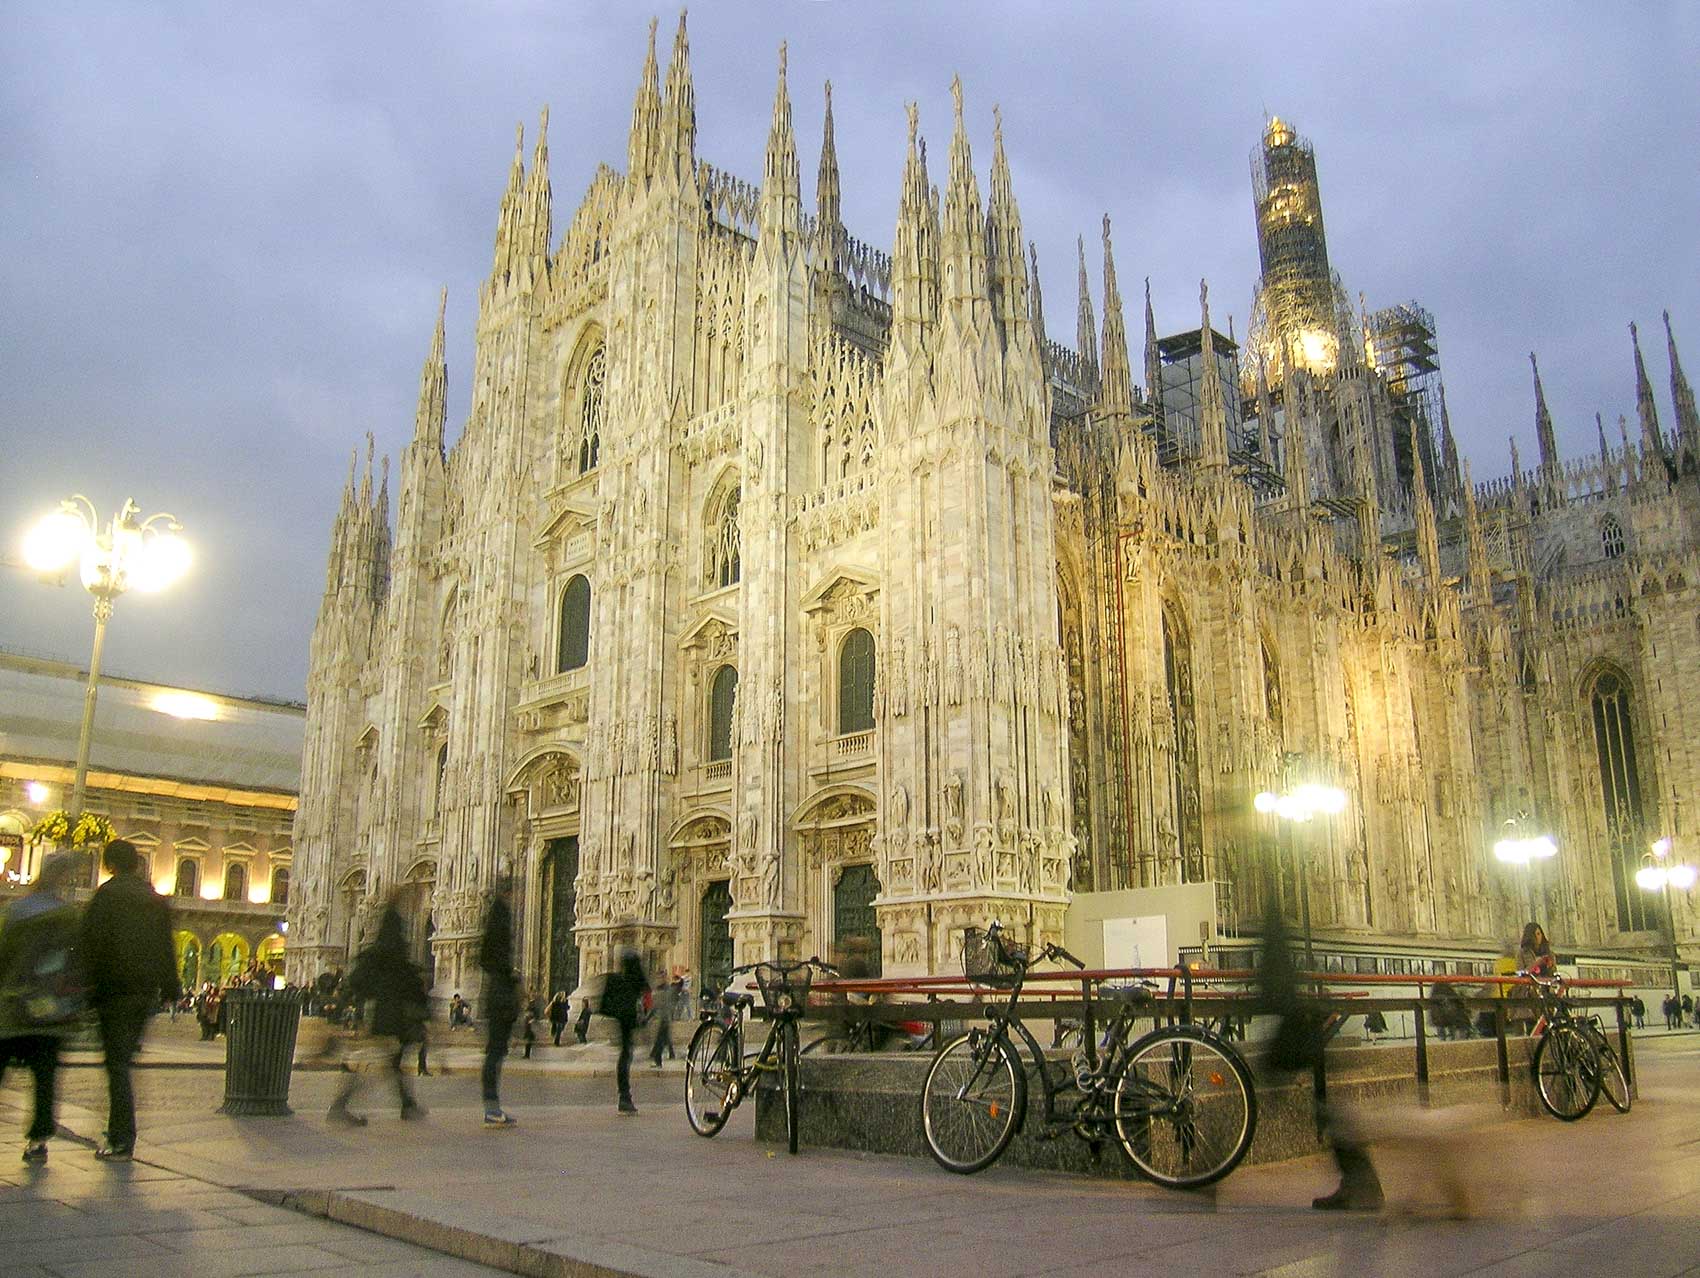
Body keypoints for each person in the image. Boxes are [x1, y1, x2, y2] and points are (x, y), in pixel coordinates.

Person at [1257, 902, 1381, 1211]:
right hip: (1295, 1021)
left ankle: (1360, 1181)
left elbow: (1275, 971)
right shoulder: (1277, 920)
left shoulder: (1273, 916)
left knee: (1320, 1105)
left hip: (1292, 1023)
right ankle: (1359, 1180)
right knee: (1320, 1104)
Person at [79, 839, 181, 1162]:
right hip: (144, 993)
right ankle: (120, 1133)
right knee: (124, 1062)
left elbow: (90, 944)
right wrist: (170, 987)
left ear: (110, 864)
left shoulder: (106, 897)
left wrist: (84, 988)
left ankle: (122, 1138)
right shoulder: (155, 899)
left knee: (118, 1064)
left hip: (114, 991)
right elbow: (166, 947)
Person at [0, 854, 83, 1164]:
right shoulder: (69, 916)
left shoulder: (15, 911)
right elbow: (76, 961)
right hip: (50, 1008)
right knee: (45, 1076)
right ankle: (38, 1140)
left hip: (12, 1004)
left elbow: (3, 954)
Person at [327, 902, 429, 1125]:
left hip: (380, 1016)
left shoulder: (377, 954)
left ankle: (407, 1104)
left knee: (390, 1063)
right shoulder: (393, 956)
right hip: (389, 1019)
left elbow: (357, 981)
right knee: (378, 1062)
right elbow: (409, 986)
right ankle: (340, 1106)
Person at [478, 881, 520, 1127]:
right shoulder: (500, 918)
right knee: (495, 1052)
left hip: (497, 993)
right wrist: (509, 977)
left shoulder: (496, 917)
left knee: (495, 1051)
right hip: (500, 995)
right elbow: (495, 957)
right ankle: (492, 1108)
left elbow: (487, 957)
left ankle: (492, 1106)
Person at [601, 948, 649, 1114]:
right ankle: (624, 1096)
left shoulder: (618, 979)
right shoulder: (634, 977)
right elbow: (646, 989)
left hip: (621, 1019)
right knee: (626, 1054)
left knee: (625, 1054)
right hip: (628, 1019)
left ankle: (624, 1094)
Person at [649, 976, 678, 1068]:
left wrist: (646, 1019)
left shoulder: (660, 994)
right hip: (667, 1019)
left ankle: (658, 1060)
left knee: (660, 1041)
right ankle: (661, 1057)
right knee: (663, 1039)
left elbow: (654, 1008)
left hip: (664, 1020)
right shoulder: (669, 992)